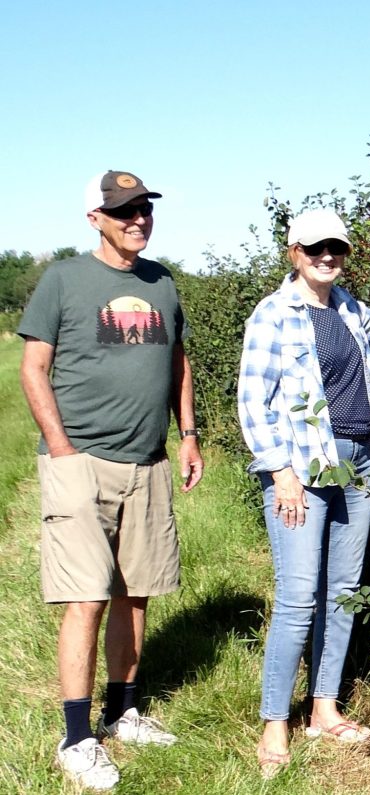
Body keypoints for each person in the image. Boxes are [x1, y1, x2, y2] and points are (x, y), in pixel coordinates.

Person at [238, 208, 370, 777]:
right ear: (294, 253)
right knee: (295, 598)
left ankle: (324, 711)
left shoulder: (349, 308)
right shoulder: (273, 314)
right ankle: (274, 725)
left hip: (358, 463)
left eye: (336, 247)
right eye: (316, 249)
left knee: (343, 592)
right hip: (302, 471)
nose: (327, 257)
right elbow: (252, 401)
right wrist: (278, 471)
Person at [18, 170, 204, 791]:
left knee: (136, 590)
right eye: (124, 212)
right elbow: (34, 368)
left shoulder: (163, 283)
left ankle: (123, 710)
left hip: (148, 463)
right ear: (95, 218)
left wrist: (188, 435)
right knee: (87, 596)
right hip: (81, 461)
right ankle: (76, 737)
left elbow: (178, 361)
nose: (138, 220)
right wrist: (64, 449)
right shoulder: (64, 280)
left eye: (144, 210)